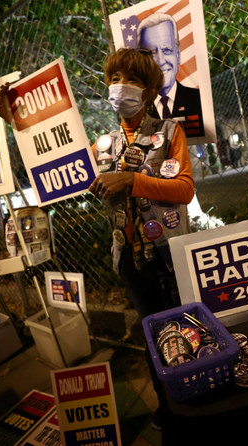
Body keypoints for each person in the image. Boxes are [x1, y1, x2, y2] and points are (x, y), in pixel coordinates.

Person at [89, 47, 194, 321]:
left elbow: (184, 190)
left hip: (168, 253)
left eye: (132, 80)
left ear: (148, 91)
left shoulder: (169, 131)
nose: (121, 85)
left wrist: (131, 180)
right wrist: (20, 123)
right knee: (153, 334)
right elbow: (60, 167)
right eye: (115, 78)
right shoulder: (101, 146)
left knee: (188, 329)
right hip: (127, 258)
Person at [137, 12, 205, 138]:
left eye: (167, 50)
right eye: (152, 53)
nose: (161, 61)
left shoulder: (199, 101)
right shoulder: (136, 111)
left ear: (178, 54)